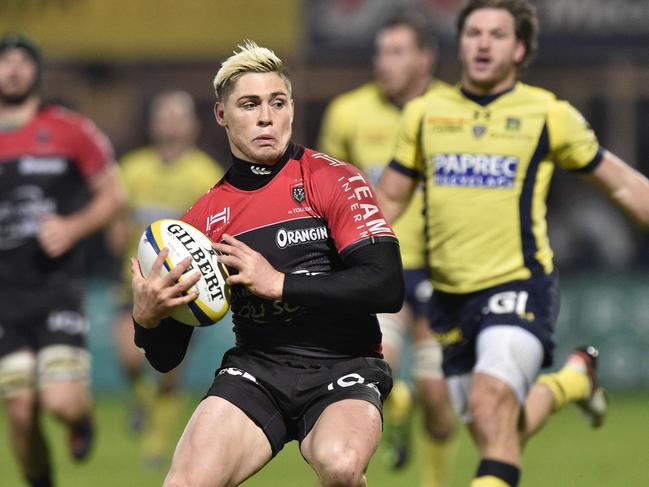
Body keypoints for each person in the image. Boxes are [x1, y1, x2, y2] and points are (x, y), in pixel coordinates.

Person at [376, 1, 649, 485]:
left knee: (490, 404)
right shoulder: (425, 115)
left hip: (518, 285)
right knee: (499, 429)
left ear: (519, 48)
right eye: (474, 32)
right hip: (449, 299)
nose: (482, 43)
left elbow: (622, 185)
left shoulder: (548, 114)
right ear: (459, 43)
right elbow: (390, 197)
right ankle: (572, 381)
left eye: (497, 35)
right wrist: (333, 250)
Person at [130, 40, 404, 487]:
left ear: (291, 109)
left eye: (277, 103)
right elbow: (166, 358)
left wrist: (280, 283)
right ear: (221, 115)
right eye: (249, 104)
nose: (265, 117)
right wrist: (148, 319)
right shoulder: (200, 222)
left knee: (339, 464)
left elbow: (386, 285)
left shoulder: (332, 178)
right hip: (257, 370)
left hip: (344, 364)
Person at [317, 12, 456, 485]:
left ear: (425, 58)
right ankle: (396, 407)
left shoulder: (454, 110)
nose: (384, 62)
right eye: (380, 51)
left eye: (397, 52)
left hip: (444, 271)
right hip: (379, 266)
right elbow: (326, 191)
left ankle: (432, 475)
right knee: (379, 374)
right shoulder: (347, 112)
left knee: (439, 401)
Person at [0, 33, 124, 487]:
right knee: (19, 410)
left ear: (36, 71)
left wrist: (73, 227)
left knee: (59, 403)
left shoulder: (70, 129)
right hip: (3, 298)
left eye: (22, 61)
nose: (13, 69)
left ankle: (80, 418)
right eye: (4, 61)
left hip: (56, 290)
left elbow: (114, 193)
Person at [110, 90, 224, 467]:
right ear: (152, 123)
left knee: (169, 372)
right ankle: (140, 402)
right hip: (134, 282)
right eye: (163, 115)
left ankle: (155, 447)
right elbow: (117, 216)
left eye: (177, 116)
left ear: (193, 124)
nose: (169, 123)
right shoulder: (132, 167)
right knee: (128, 356)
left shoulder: (204, 172)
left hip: (180, 289)